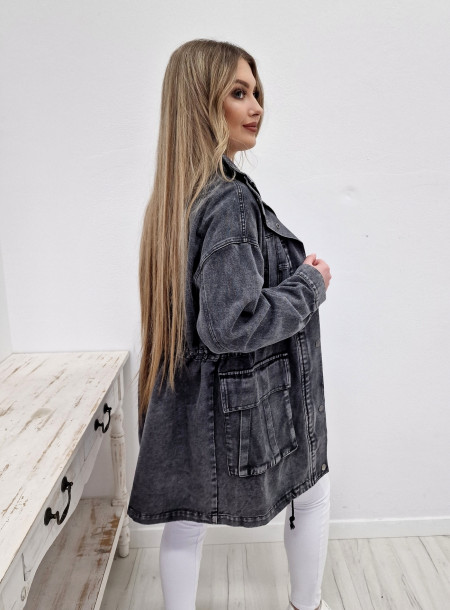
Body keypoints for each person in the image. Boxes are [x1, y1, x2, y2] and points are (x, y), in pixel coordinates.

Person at [127, 39, 332, 610]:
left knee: (186, 519)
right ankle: (309, 604)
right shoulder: (229, 202)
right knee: (312, 490)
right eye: (239, 93)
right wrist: (309, 285)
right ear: (201, 102)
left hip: (188, 399)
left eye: (257, 92)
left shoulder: (175, 198)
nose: (257, 106)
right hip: (241, 401)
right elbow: (229, 326)